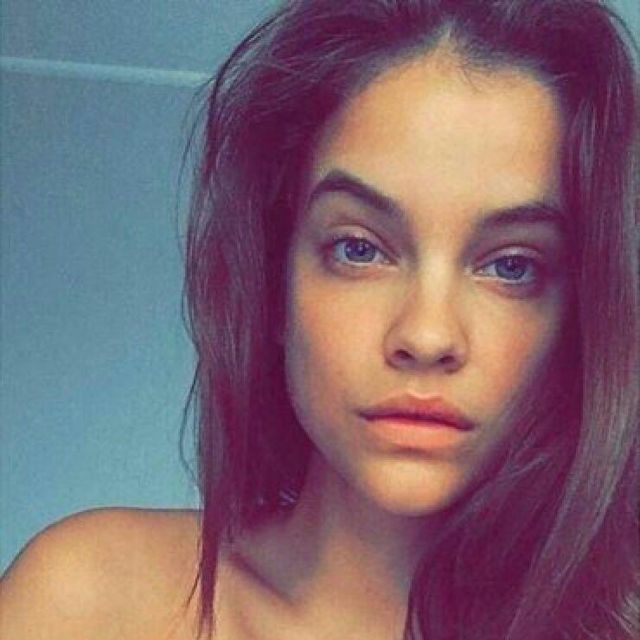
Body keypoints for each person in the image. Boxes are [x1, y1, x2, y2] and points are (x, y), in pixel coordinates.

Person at [1, 0, 638, 638]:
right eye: (359, 249)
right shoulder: (91, 599)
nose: (426, 336)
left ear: (582, 320)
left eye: (512, 266)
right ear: (274, 286)